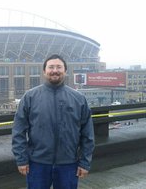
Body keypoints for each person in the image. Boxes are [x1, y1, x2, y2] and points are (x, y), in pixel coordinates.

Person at [12, 54, 95, 189]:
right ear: (44, 71)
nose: (55, 70)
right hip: (37, 164)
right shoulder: (30, 97)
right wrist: (21, 159)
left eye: (59, 67)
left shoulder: (79, 98)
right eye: (51, 67)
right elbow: (18, 131)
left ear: (65, 71)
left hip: (68, 164)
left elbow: (88, 134)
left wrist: (85, 162)